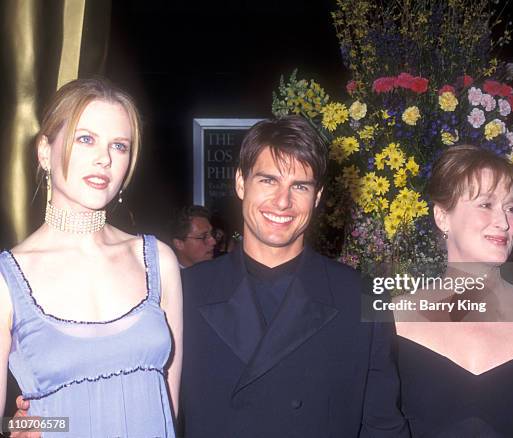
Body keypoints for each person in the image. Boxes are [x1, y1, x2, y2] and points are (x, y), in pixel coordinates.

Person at [179, 116, 408, 437]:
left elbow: (382, 426)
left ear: (316, 197)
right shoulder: (185, 293)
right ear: (241, 183)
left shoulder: (360, 297)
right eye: (268, 181)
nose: (283, 202)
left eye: (299, 186)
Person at [0, 78, 182, 437]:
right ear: (43, 151)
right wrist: (17, 428)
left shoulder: (158, 261)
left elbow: (170, 411)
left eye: (120, 145)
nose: (104, 159)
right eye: (86, 139)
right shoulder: (8, 279)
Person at [393, 145, 513, 437]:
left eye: (512, 208)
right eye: (485, 204)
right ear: (442, 217)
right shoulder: (394, 322)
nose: (504, 223)